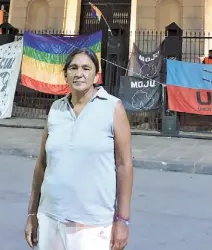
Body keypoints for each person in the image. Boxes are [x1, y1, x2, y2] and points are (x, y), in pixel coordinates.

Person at [25, 47, 133, 250]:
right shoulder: (56, 109)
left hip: (93, 225)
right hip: (50, 218)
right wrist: (32, 214)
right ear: (66, 74)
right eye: (73, 68)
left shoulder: (113, 108)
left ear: (96, 75)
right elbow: (42, 164)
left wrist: (123, 220)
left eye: (86, 68)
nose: (79, 73)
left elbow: (124, 166)